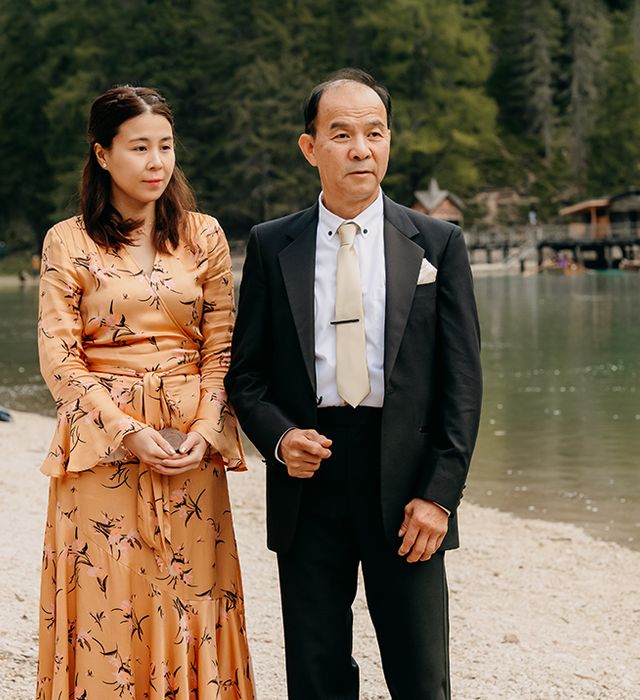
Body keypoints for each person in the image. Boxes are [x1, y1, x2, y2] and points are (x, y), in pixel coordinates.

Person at [225, 68, 483, 699]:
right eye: (341, 134)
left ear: (389, 141)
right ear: (310, 147)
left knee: (421, 677)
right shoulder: (270, 244)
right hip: (308, 478)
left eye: (375, 132)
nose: (361, 148)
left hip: (406, 480)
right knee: (315, 675)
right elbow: (247, 376)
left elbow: (464, 383)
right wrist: (281, 440)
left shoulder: (438, 244)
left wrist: (440, 496)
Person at [36, 85, 255, 699]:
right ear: (103, 154)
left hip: (190, 442)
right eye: (139, 147)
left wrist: (208, 429)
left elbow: (222, 347)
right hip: (103, 446)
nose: (157, 162)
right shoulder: (68, 241)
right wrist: (127, 431)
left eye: (165, 146)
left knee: (193, 593)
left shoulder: (203, 236)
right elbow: (60, 359)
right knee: (111, 598)